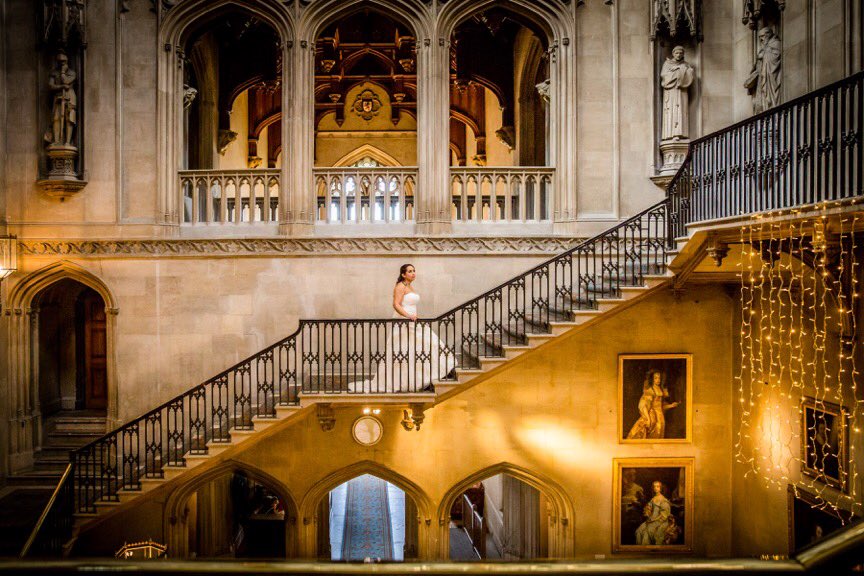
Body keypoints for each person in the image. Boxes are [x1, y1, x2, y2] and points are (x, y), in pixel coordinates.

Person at [350, 264, 455, 393]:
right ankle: (409, 380)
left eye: (414, 271)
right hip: (404, 320)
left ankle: (422, 377)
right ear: (403, 274)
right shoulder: (400, 286)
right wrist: (408, 316)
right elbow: (396, 304)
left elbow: (409, 304)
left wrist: (413, 316)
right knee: (405, 348)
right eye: (410, 271)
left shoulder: (409, 286)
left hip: (412, 319)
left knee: (419, 347)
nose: (413, 273)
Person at [626, 369, 680, 439]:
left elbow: (661, 407)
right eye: (656, 378)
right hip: (652, 417)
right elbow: (644, 406)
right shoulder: (650, 391)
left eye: (659, 378)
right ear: (652, 379)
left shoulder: (661, 390)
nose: (658, 380)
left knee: (659, 434)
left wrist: (671, 405)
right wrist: (648, 419)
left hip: (660, 417)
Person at [660, 46, 695, 141]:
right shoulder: (667, 64)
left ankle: (681, 134)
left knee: (681, 112)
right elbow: (664, 77)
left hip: (682, 92)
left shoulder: (686, 65)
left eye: (680, 53)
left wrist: (680, 68)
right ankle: (670, 135)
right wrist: (678, 71)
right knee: (671, 112)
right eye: (677, 53)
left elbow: (689, 75)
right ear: (673, 54)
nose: (678, 55)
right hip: (671, 92)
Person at [744, 26, 781, 114]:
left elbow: (775, 58)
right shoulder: (764, 47)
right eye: (760, 37)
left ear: (768, 34)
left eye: (762, 36)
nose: (761, 39)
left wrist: (764, 55)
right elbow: (758, 66)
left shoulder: (776, 44)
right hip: (763, 78)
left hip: (770, 78)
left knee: (770, 96)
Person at [635, 481, 674, 545]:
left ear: (660, 488)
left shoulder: (663, 500)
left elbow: (664, 515)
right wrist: (647, 511)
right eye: (654, 486)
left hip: (660, 520)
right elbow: (648, 509)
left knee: (647, 532)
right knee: (638, 531)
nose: (655, 488)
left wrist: (654, 520)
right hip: (650, 519)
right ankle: (639, 549)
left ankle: (645, 549)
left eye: (657, 486)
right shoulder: (653, 499)